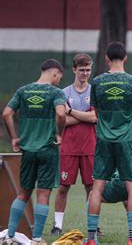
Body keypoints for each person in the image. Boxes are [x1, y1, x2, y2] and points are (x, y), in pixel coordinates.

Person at [3, 59, 67, 245]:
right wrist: (59, 134)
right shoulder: (55, 92)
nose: (58, 82)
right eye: (59, 78)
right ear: (54, 73)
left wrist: (14, 137)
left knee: (23, 193)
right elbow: (61, 114)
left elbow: (7, 113)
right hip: (47, 149)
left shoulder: (23, 91)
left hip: (28, 150)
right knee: (43, 194)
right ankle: (37, 239)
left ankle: (9, 236)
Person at [86, 42, 132, 245]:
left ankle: (91, 239)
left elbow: (96, 112)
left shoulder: (97, 82)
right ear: (125, 57)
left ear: (106, 59)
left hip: (103, 139)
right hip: (126, 139)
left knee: (97, 187)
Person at [51, 54, 97, 235]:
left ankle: (92, 226)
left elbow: (95, 117)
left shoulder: (94, 91)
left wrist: (71, 112)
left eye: (88, 70)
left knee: (91, 188)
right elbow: (61, 120)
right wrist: (83, 115)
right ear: (74, 70)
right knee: (63, 187)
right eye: (82, 70)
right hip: (68, 147)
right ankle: (57, 225)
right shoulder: (63, 93)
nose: (85, 73)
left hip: (89, 147)